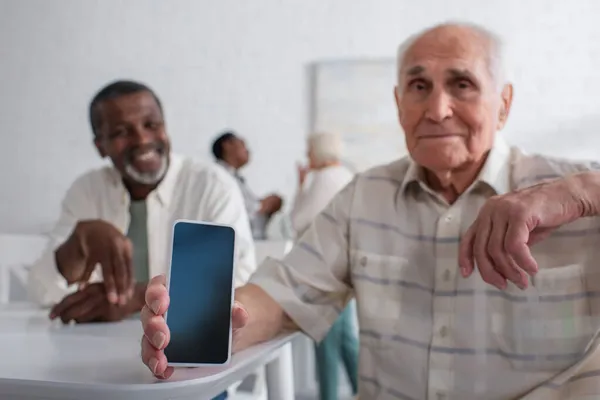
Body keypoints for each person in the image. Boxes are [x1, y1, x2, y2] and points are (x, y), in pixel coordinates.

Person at [140, 22, 600, 399]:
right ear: (400, 104)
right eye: (419, 86)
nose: (437, 109)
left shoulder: (573, 192)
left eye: (461, 84)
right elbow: (281, 297)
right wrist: (211, 321)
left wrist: (580, 192)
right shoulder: (364, 196)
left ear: (504, 105)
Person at [27, 80, 256, 326]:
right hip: (94, 347)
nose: (142, 139)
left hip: (185, 349)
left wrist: (136, 298)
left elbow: (238, 280)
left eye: (151, 124)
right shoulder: (87, 191)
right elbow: (41, 291)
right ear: (100, 146)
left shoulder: (211, 186)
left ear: (165, 127)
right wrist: (77, 244)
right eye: (121, 132)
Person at [290, 132, 358, 400]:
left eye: (309, 151)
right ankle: (366, 392)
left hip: (325, 271)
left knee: (326, 341)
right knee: (344, 339)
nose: (307, 156)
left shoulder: (324, 179)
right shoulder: (347, 176)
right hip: (345, 268)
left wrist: (301, 185)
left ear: (319, 152)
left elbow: (296, 221)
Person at [211, 131, 283, 240]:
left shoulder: (235, 178)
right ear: (227, 145)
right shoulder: (218, 177)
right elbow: (238, 210)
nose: (248, 151)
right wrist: (264, 205)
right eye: (243, 144)